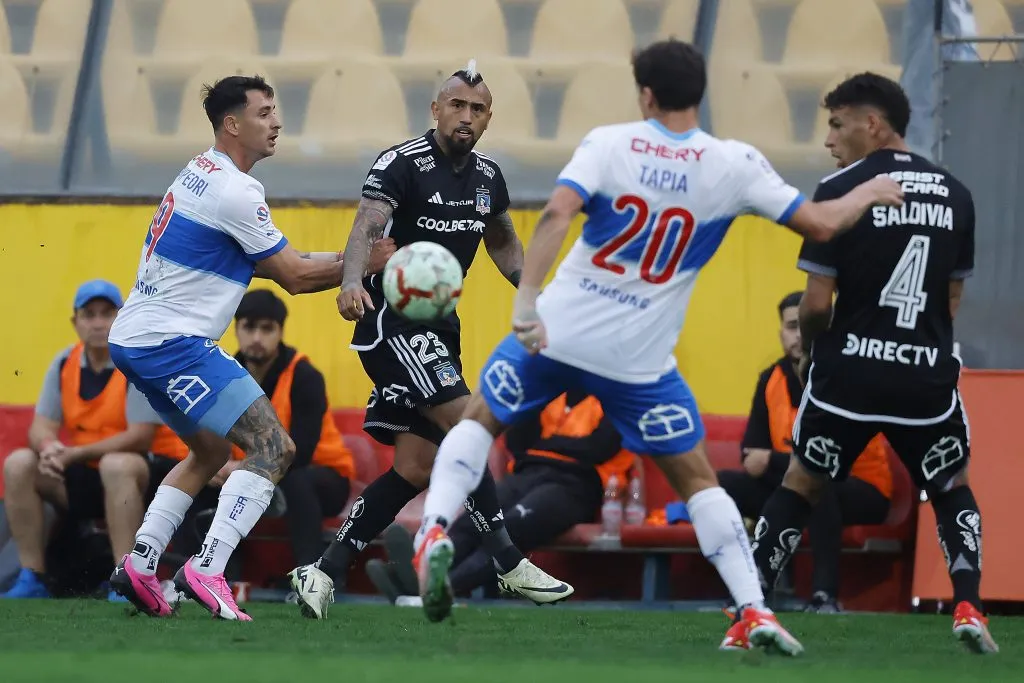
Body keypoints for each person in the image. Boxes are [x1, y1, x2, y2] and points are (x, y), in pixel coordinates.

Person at [409, 39, 904, 653]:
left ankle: (432, 530)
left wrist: (526, 300)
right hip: (638, 360)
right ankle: (752, 609)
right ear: (700, 94)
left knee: (480, 421)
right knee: (699, 480)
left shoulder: (610, 143)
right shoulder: (734, 163)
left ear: (645, 94)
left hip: (558, 330)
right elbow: (823, 223)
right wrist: (868, 191)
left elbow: (559, 214)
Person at [288, 61, 572, 620]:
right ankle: (507, 560)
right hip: (390, 320)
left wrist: (546, 299)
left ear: (488, 119)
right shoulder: (401, 164)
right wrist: (349, 284)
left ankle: (320, 572)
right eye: (457, 106)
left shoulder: (489, 178)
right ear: (436, 109)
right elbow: (368, 225)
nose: (466, 117)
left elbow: (505, 246)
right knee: (470, 423)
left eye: (478, 109)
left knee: (416, 467)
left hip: (440, 326)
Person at [751, 72, 998, 653]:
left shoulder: (840, 189)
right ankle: (969, 604)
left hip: (849, 375)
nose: (830, 141)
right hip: (925, 374)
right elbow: (952, 300)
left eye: (837, 125)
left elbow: (815, 304)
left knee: (802, 483)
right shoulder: (958, 194)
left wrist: (815, 353)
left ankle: (753, 605)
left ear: (873, 124)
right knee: (950, 484)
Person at [105, 74, 364, 621]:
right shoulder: (237, 191)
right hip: (172, 343)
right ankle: (207, 568)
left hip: (135, 339)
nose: (276, 122)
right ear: (232, 124)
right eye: (265, 112)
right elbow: (293, 277)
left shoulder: (201, 171)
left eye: (275, 110)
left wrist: (350, 262)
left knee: (212, 451)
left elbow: (278, 264)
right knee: (275, 449)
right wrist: (367, 264)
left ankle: (142, 563)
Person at [1, 280, 189, 601]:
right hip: (86, 473)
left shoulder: (136, 359)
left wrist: (72, 454)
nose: (99, 323)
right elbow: (40, 428)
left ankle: (127, 577)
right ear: (76, 322)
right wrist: (49, 449)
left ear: (122, 316)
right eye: (89, 315)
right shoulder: (64, 362)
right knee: (19, 463)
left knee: (117, 465)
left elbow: (140, 437)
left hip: (146, 475)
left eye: (107, 313)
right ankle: (31, 577)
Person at [718, 291, 892, 612]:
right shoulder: (770, 378)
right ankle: (743, 590)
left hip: (860, 488)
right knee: (720, 487)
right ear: (781, 333)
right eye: (792, 326)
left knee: (817, 483)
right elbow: (751, 453)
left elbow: (832, 460)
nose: (800, 335)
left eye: (806, 325)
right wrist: (770, 462)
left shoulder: (845, 373)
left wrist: (771, 461)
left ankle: (824, 595)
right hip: (792, 479)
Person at [368, 391, 632, 602]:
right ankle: (416, 581)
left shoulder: (613, 397)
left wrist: (544, 445)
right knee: (473, 520)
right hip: (526, 474)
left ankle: (429, 590)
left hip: (577, 484)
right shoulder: (550, 393)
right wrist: (555, 442)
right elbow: (516, 440)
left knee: (512, 527)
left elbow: (597, 448)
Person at [225, 289, 359, 567]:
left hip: (322, 477)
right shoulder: (224, 375)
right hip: (253, 475)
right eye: (249, 327)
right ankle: (208, 576)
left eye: (267, 329)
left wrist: (241, 470)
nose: (257, 338)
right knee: (202, 479)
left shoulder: (304, 376)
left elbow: (302, 451)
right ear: (236, 329)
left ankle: (311, 574)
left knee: (295, 482)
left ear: (280, 331)